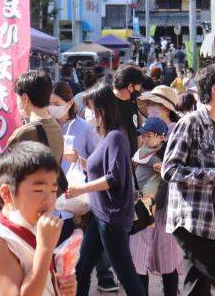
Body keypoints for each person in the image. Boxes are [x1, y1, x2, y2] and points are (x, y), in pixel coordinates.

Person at [162, 62, 215, 296]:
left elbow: (210, 183)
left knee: (196, 289)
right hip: (190, 221)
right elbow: (169, 170)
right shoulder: (190, 122)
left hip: (206, 219)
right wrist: (214, 174)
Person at [66, 84, 147, 296]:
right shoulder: (107, 136)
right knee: (81, 268)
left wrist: (80, 188)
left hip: (112, 218)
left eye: (91, 107)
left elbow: (114, 178)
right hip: (100, 215)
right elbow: (99, 168)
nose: (88, 113)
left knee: (126, 274)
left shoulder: (116, 137)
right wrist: (80, 161)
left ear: (103, 108)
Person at [0, 141, 77, 296]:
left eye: (53, 190)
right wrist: (45, 249)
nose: (49, 199)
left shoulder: (31, 226)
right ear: (6, 193)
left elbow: (34, 277)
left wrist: (56, 285)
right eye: (38, 190)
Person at [131, 87, 183, 296]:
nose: (152, 109)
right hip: (143, 204)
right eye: (151, 105)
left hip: (167, 204)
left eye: (157, 105)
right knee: (138, 255)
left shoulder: (179, 133)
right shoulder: (147, 131)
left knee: (168, 257)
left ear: (167, 108)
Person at [49, 81, 99, 242]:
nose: (52, 107)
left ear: (70, 103)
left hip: (73, 201)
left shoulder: (85, 128)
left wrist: (78, 159)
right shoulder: (46, 126)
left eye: (56, 104)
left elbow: (97, 165)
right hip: (47, 200)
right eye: (49, 104)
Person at [8, 70, 63, 164]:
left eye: (17, 96)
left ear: (25, 98)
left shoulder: (23, 133)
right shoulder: (57, 127)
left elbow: (4, 173)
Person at [113, 64, 146, 157]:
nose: (140, 90)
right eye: (139, 87)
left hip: (132, 161)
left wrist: (137, 155)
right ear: (130, 87)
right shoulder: (107, 103)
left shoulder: (133, 102)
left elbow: (137, 131)